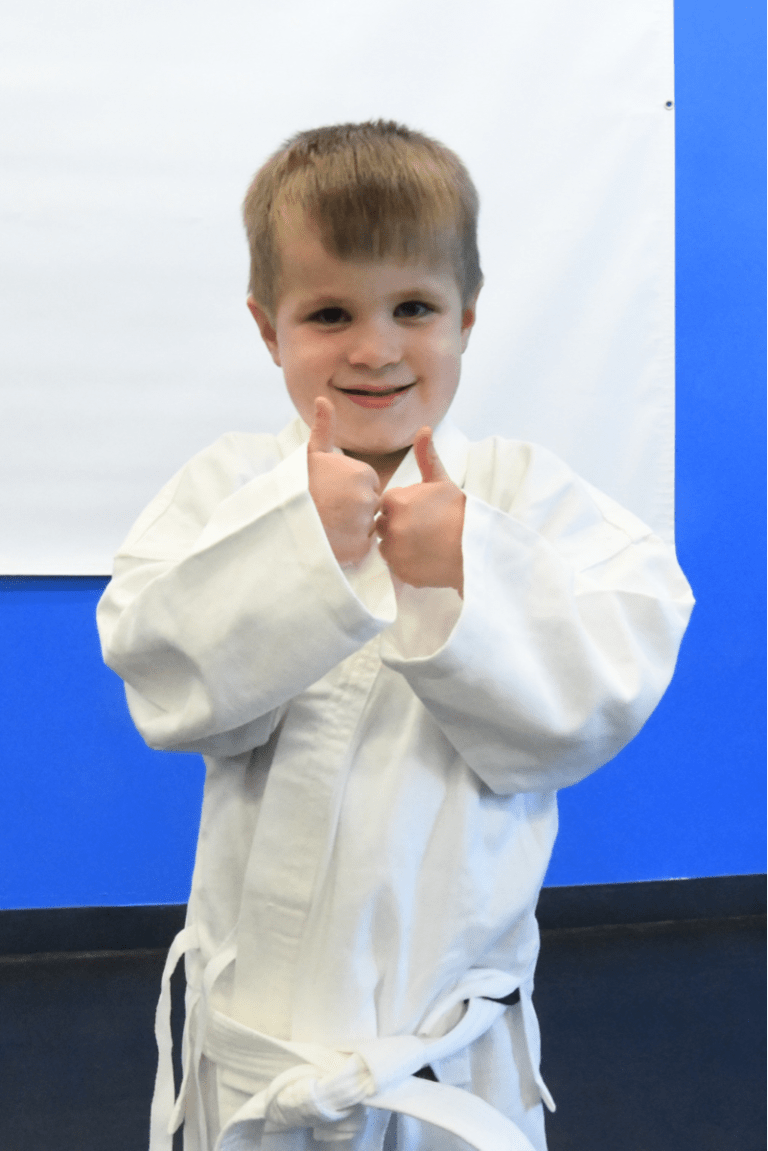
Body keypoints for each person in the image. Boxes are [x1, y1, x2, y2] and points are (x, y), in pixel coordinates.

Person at [97, 121, 694, 1151]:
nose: (375, 347)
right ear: (267, 327)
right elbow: (159, 674)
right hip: (255, 1065)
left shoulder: (526, 500)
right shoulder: (229, 491)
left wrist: (476, 568)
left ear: (467, 315)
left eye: (412, 307)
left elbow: (606, 688)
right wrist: (296, 549)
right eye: (330, 312)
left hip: (443, 1066)